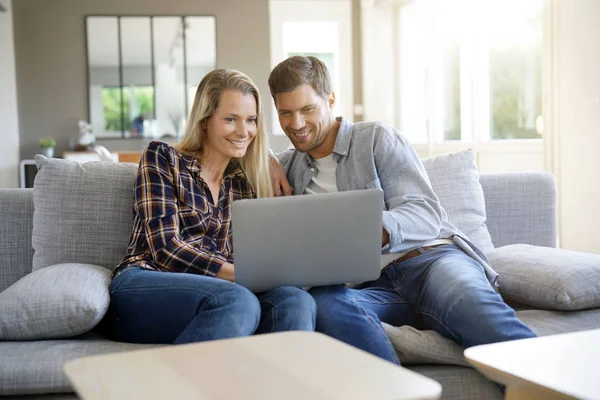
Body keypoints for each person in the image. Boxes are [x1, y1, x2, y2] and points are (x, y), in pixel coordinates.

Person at [267, 56, 536, 365]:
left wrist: (366, 229)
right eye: (285, 113)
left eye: (307, 109)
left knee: (470, 303)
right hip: (369, 289)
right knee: (324, 307)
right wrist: (264, 154)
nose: (296, 124)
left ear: (330, 100)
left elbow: (424, 213)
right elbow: (225, 142)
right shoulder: (287, 166)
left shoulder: (375, 139)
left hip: (429, 263)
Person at [103, 69, 316, 345]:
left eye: (251, 120)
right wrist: (242, 275)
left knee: (296, 300)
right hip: (146, 282)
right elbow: (166, 247)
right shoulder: (163, 158)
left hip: (222, 291)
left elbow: (255, 254)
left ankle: (279, 387)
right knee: (237, 300)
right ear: (205, 121)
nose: (243, 131)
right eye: (230, 119)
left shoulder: (244, 182)